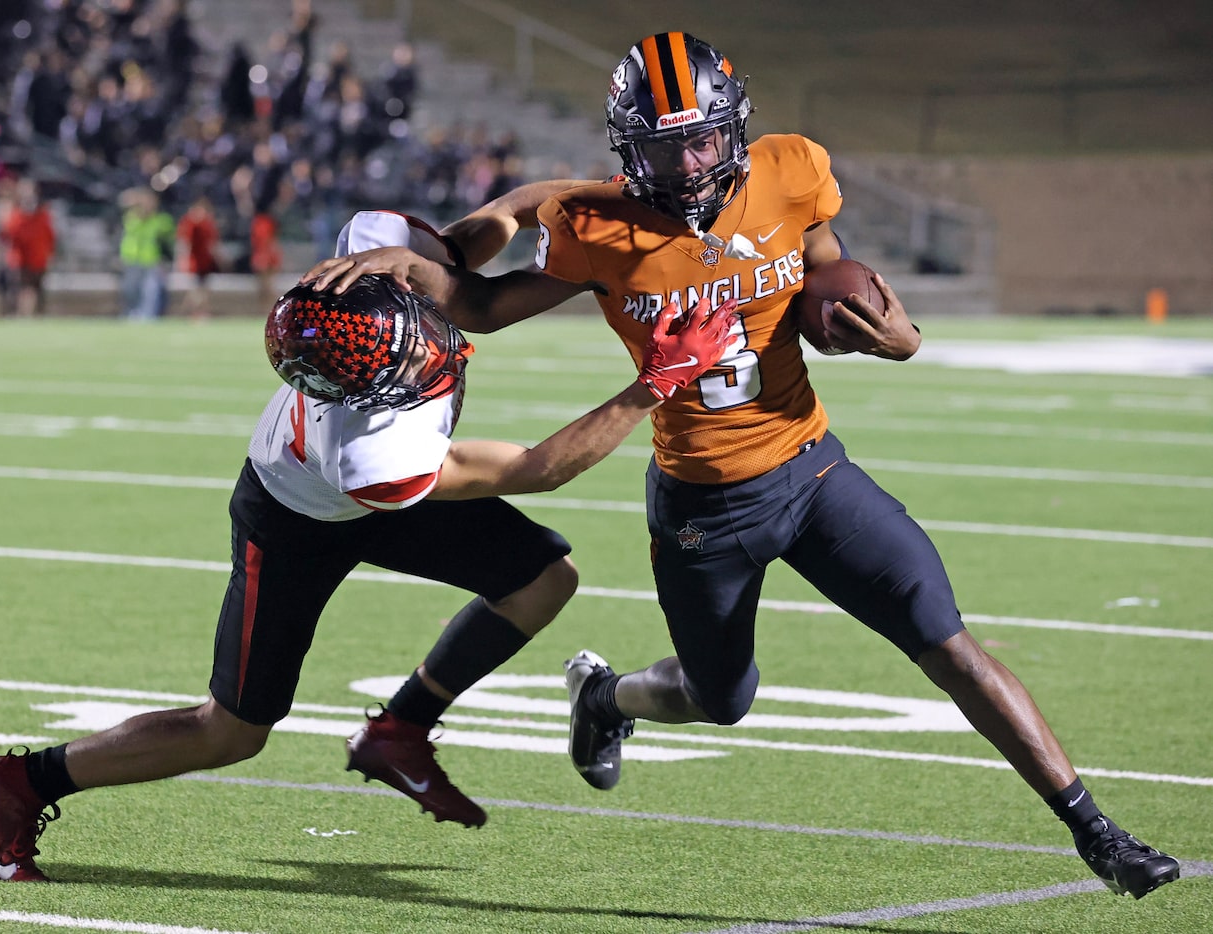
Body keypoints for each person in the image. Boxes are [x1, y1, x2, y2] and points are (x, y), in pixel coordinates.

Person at [305, 32, 1180, 901]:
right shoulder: (601, 226)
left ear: (735, 125)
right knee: (720, 697)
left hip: (811, 468)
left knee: (949, 645)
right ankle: (609, 699)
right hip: (701, 505)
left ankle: (1096, 832)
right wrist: (417, 269)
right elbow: (490, 309)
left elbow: (828, 277)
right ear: (626, 147)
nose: (687, 164)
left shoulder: (792, 171)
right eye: (662, 145)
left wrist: (893, 336)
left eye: (701, 138)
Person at [0, 178, 736, 882]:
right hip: (299, 517)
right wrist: (657, 382)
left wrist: (625, 197)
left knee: (542, 579)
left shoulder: (377, 265)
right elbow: (535, 466)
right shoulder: (377, 449)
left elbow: (509, 211)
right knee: (233, 731)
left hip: (370, 484)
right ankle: (24, 781)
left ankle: (400, 730)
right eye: (418, 360)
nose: (441, 352)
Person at [0, 178, 58, 318]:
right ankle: (20, 315)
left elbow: (50, 236)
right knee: (20, 289)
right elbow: (7, 236)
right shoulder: (14, 214)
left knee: (35, 289)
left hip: (38, 257)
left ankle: (33, 316)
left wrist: (50, 254)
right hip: (19, 258)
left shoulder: (43, 214)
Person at [118, 187, 175, 319]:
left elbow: (169, 240)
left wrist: (166, 259)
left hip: (152, 260)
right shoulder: (131, 217)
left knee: (151, 291)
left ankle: (147, 317)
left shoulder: (161, 220)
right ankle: (131, 314)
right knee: (130, 290)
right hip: (131, 259)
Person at [175, 195, 221, 319]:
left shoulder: (207, 223)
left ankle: (193, 311)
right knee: (198, 289)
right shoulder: (191, 223)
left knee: (201, 289)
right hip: (194, 262)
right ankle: (198, 312)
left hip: (205, 262)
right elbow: (185, 242)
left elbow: (213, 244)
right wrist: (183, 259)